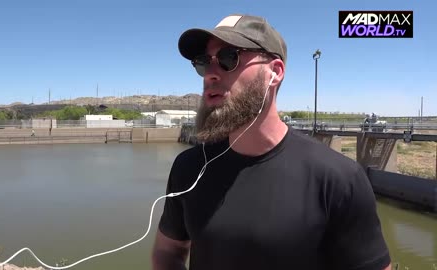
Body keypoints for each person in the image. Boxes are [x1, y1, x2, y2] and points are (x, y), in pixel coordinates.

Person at [152, 14, 391, 270]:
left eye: (228, 58)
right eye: (202, 62)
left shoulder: (339, 179)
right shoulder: (189, 168)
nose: (209, 74)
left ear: (275, 72)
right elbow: (168, 252)